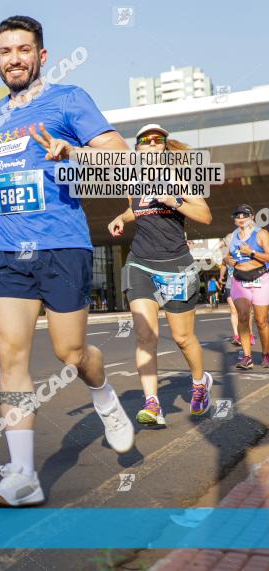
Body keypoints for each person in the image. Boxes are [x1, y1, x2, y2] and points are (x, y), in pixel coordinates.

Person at [0, 15, 134, 507]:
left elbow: (119, 154)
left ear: (41, 56)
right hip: (7, 248)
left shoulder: (69, 100)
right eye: (7, 51)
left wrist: (71, 152)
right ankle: (24, 475)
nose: (15, 59)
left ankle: (104, 396)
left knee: (71, 355)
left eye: (24, 50)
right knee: (11, 358)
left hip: (61, 244)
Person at [108, 124, 213, 426]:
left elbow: (205, 216)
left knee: (182, 337)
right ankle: (152, 404)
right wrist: (120, 217)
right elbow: (135, 210)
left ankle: (199, 382)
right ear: (138, 148)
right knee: (145, 335)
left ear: (165, 148)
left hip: (177, 266)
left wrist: (174, 201)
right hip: (141, 263)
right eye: (146, 141)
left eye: (159, 141)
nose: (153, 144)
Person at [224, 204, 269, 369]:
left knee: (261, 321)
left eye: (245, 215)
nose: (241, 218)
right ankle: (247, 357)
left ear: (252, 217)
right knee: (242, 317)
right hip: (239, 279)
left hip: (261, 279)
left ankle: (265, 354)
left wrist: (251, 253)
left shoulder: (262, 234)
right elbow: (227, 257)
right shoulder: (234, 236)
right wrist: (228, 260)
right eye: (238, 216)